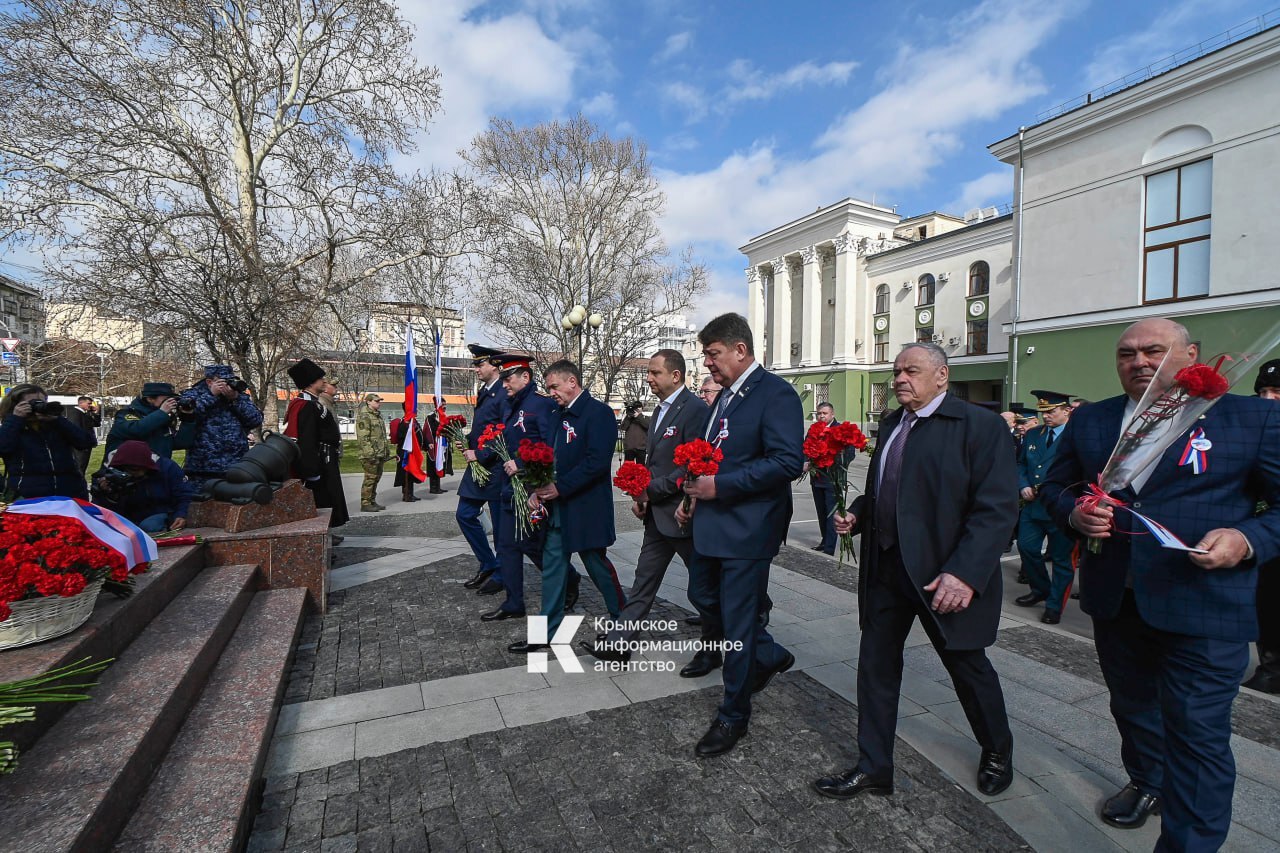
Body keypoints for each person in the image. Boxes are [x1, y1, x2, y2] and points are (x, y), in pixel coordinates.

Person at [1040, 318, 1280, 848]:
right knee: (1131, 707)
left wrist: (1247, 537)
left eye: (1154, 350)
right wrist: (1074, 514)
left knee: (1197, 735)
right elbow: (1057, 486)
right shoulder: (1094, 421)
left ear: (1191, 353)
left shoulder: (1252, 418)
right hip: (1116, 599)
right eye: (1126, 354)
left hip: (1204, 604)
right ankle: (1149, 781)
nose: (1139, 362)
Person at [814, 342, 1016, 800]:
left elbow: (996, 510)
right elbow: (889, 487)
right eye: (897, 372)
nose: (901, 379)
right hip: (887, 570)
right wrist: (860, 514)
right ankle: (873, 766)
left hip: (944, 576)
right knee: (876, 668)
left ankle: (998, 749)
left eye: (912, 371)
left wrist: (964, 573)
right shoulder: (892, 423)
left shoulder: (978, 427)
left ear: (942, 376)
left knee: (968, 668)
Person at [674, 313, 802, 757]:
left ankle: (733, 714)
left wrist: (721, 486)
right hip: (713, 523)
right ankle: (767, 655)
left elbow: (788, 462)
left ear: (740, 350)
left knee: (738, 624)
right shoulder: (724, 398)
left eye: (713, 354)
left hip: (748, 527)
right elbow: (712, 457)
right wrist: (693, 496)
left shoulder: (776, 394)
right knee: (704, 597)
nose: (707, 363)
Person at [581, 349, 714, 662]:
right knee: (643, 582)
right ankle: (619, 644)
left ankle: (718, 647)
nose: (649, 378)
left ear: (675, 375)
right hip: (657, 516)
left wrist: (650, 492)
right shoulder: (661, 410)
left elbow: (691, 466)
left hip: (684, 517)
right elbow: (655, 462)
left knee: (705, 589)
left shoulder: (694, 410)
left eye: (655, 373)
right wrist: (641, 495)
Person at [508, 360, 626, 653]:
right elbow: (548, 456)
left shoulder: (598, 413)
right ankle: (543, 634)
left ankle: (624, 624)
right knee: (552, 570)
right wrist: (537, 488)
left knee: (597, 568)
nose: (551, 393)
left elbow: (596, 463)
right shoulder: (555, 414)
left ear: (572, 381)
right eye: (548, 388)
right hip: (557, 510)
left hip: (585, 509)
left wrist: (559, 487)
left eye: (554, 387)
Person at [480, 354, 559, 622]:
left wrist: (522, 464)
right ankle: (514, 602)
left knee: (531, 544)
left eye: (508, 378)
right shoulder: (510, 406)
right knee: (506, 546)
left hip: (529, 488)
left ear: (525, 377)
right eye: (502, 379)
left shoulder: (541, 405)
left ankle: (567, 580)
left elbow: (550, 447)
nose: (504, 384)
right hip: (508, 487)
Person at [1014, 390, 1076, 624]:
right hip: (1033, 505)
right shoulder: (1033, 434)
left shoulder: (1075, 436)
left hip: (1062, 507)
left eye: (1051, 412)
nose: (1046, 416)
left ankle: (1054, 605)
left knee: (1061, 559)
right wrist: (1023, 485)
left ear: (1066, 411)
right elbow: (1020, 464)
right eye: (1044, 412)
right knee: (1027, 547)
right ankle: (1041, 588)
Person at [457, 345, 508, 594]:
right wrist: (467, 442)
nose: (476, 369)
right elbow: (484, 428)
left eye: (480, 364)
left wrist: (481, 453)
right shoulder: (484, 391)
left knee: (500, 527)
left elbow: (504, 432)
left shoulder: (504, 391)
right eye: (475, 365)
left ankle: (501, 573)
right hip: (478, 465)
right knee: (464, 514)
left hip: (496, 467)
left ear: (495, 365)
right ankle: (489, 563)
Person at [283, 358, 350, 532]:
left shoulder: (312, 403)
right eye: (321, 379)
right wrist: (311, 470)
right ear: (311, 383)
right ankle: (321, 536)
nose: (324, 382)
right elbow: (307, 439)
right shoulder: (305, 405)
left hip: (326, 457)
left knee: (329, 498)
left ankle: (327, 533)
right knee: (321, 500)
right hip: (319, 461)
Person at [1246, 359, 1280, 693]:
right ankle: (1271, 666)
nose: (1268, 399)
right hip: (1267, 534)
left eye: (1277, 392)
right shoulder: (1255, 432)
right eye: (1263, 392)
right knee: (1268, 603)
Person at [0, 384, 96, 499]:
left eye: (42, 402)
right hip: (30, 497)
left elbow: (86, 442)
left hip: (70, 494)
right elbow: (3, 448)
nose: (38, 406)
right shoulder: (12, 427)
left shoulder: (56, 425)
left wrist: (58, 420)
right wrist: (15, 419)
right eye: (33, 403)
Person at [180, 365, 263, 487]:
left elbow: (256, 420)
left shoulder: (238, 396)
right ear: (209, 382)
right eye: (224, 381)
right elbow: (188, 416)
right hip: (202, 467)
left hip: (235, 465)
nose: (228, 386)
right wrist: (211, 395)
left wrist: (235, 400)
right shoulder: (193, 395)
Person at [90, 440, 193, 533]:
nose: (134, 473)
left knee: (150, 526)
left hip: (160, 512)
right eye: (129, 470)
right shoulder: (110, 474)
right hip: (124, 515)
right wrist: (108, 494)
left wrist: (180, 514)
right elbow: (99, 509)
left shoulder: (167, 468)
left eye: (136, 469)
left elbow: (184, 494)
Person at [106, 382, 197, 459]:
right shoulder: (126, 413)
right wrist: (162, 412)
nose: (171, 402)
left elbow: (182, 443)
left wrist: (187, 418)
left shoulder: (163, 419)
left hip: (156, 471)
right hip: (127, 471)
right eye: (167, 399)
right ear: (150, 398)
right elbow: (136, 430)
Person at [808, 401, 851, 556]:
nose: (821, 416)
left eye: (824, 413)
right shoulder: (814, 430)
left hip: (833, 480)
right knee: (821, 512)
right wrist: (807, 461)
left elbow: (849, 454)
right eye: (819, 413)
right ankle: (825, 540)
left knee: (832, 513)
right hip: (817, 478)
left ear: (832, 414)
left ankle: (829, 547)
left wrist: (834, 462)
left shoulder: (839, 430)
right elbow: (805, 447)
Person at [356, 393, 390, 512]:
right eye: (376, 401)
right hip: (370, 455)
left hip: (379, 453)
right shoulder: (365, 416)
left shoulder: (377, 416)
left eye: (379, 401)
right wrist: (370, 454)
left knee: (376, 478)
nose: (378, 403)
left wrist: (386, 451)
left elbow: (382, 437)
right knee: (370, 478)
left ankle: (372, 501)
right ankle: (365, 502)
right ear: (368, 402)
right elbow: (363, 438)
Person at [390, 414, 424, 503]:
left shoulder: (413, 421)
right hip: (405, 451)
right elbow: (402, 437)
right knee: (406, 473)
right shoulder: (404, 423)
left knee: (411, 473)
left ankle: (410, 493)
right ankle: (406, 494)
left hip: (412, 451)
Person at [63, 396, 101, 473]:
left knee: (83, 466)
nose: (90, 405)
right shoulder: (75, 413)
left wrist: (96, 413)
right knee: (80, 466)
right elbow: (75, 430)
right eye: (88, 403)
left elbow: (96, 424)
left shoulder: (85, 414)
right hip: (80, 447)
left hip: (86, 445)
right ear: (81, 403)